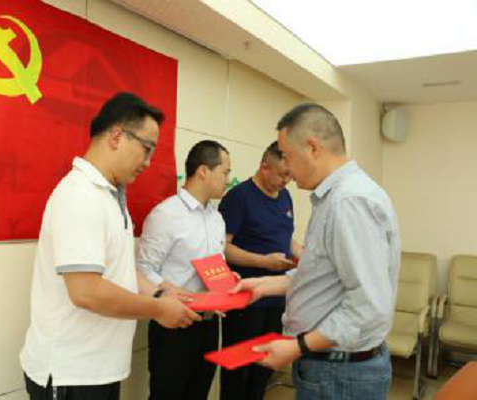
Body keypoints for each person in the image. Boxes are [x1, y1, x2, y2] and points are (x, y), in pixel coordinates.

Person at [19, 92, 201, 400]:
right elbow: (86, 291)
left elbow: (120, 271)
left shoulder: (109, 194)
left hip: (98, 369)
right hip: (71, 374)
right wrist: (158, 309)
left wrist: (160, 292)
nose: (148, 162)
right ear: (116, 136)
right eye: (146, 149)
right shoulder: (80, 195)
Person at [235, 103, 401, 400]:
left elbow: (367, 305)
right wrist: (264, 285)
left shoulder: (348, 202)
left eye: (287, 156)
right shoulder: (336, 197)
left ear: (313, 148)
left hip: (339, 373)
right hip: (334, 368)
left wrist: (298, 346)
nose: (287, 169)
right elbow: (323, 274)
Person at [137, 140, 231, 400]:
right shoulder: (166, 214)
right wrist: (170, 292)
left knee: (199, 392)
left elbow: (215, 265)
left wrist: (227, 278)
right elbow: (143, 269)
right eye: (225, 172)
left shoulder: (216, 218)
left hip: (209, 323)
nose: (228, 180)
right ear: (203, 171)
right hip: (174, 322)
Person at [217, 141, 301, 400]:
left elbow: (285, 237)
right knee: (238, 370)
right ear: (264, 167)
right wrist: (264, 262)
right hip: (246, 299)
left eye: (290, 175)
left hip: (276, 299)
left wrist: (307, 257)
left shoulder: (284, 196)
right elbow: (223, 248)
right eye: (282, 174)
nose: (287, 181)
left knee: (263, 369)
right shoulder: (239, 197)